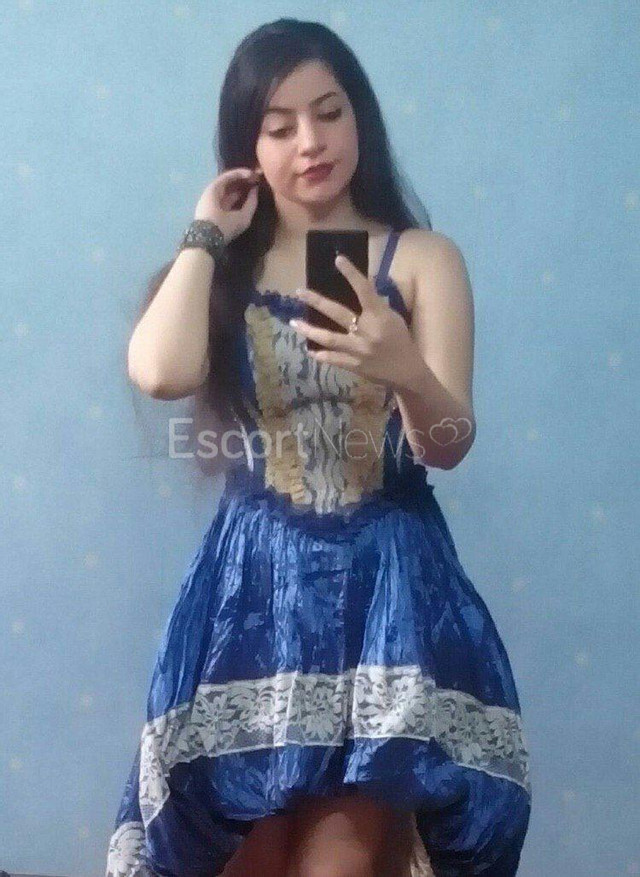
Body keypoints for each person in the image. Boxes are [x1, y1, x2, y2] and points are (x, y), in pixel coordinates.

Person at [105, 18, 532, 877]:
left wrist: (404, 368)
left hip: (388, 591)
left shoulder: (422, 259)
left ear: (359, 117)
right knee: (242, 858)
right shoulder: (229, 265)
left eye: (330, 113)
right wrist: (206, 233)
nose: (311, 142)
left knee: (338, 862)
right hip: (251, 594)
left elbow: (448, 444)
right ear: (248, 147)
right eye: (280, 125)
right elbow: (159, 371)